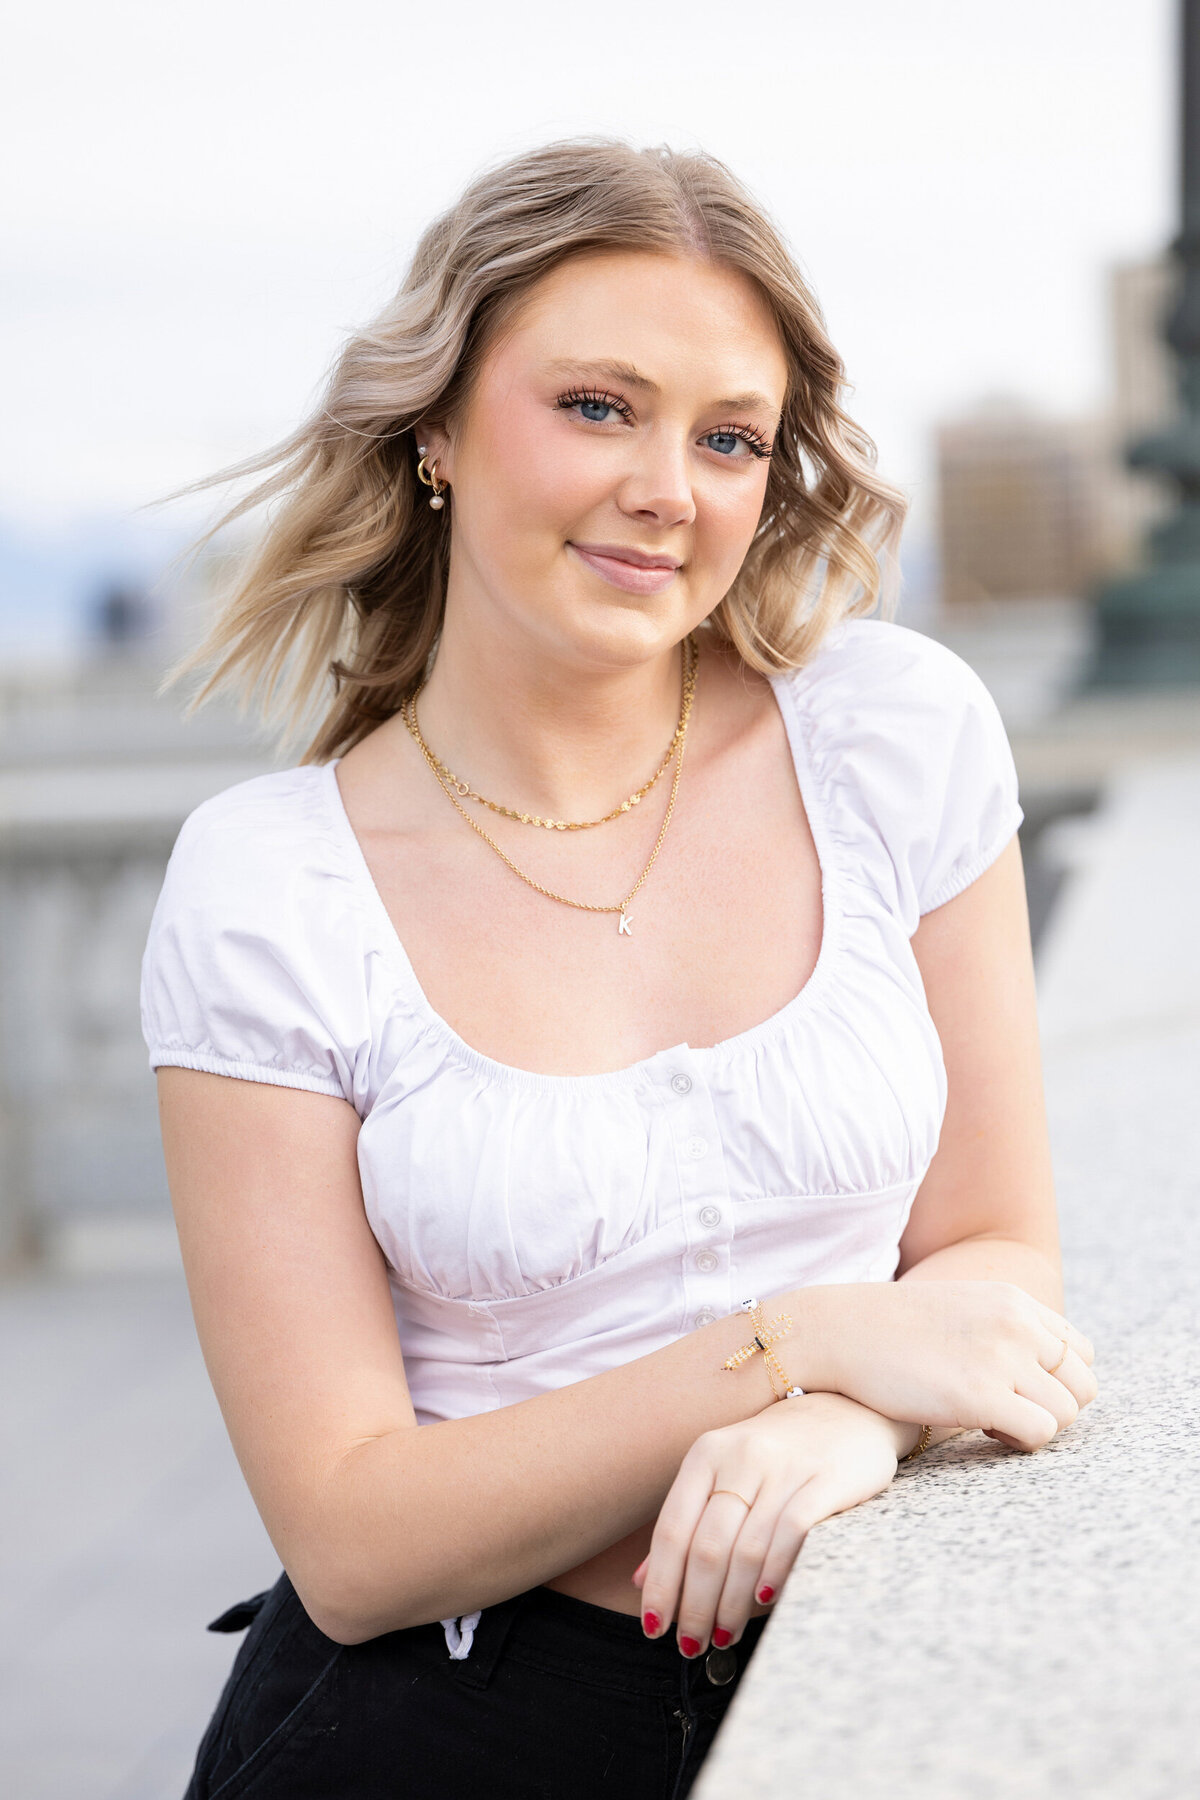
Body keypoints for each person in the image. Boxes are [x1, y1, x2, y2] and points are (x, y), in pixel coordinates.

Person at [141, 139, 1098, 1800]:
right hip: (446, 1725)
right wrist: (798, 1341)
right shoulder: (270, 882)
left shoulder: (891, 736)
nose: (673, 486)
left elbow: (996, 1246)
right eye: (599, 405)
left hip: (878, 1681)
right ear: (434, 427)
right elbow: (354, 1536)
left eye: (732, 437)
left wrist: (847, 1419)